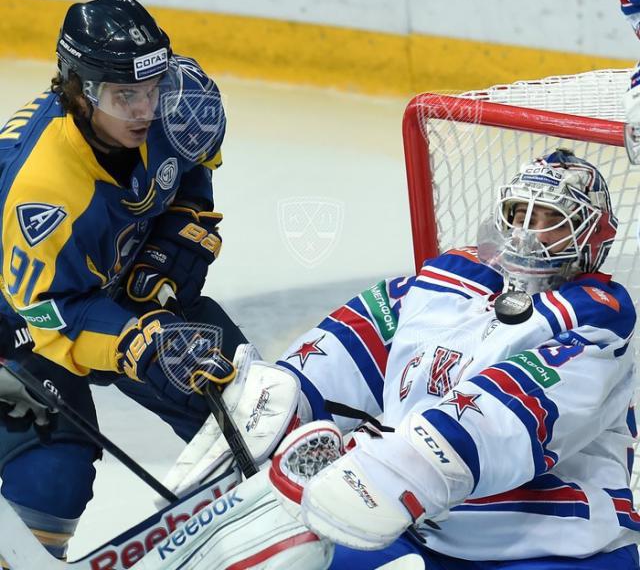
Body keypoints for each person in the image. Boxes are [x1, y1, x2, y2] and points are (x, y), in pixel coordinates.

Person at [172, 150, 639, 569]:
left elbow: (511, 410)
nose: (525, 232)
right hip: (422, 527)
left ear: (590, 237)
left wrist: (403, 466)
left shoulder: (597, 319)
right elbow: (356, 342)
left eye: (549, 219)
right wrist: (281, 400)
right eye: (518, 214)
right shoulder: (452, 280)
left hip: (556, 548)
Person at [0, 0, 248, 563]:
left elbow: (188, 176)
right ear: (80, 93)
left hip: (101, 287)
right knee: (53, 471)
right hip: (21, 319)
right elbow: (47, 313)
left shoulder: (169, 108)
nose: (145, 109)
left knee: (238, 394)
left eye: (152, 88)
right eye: (125, 96)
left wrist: (168, 253)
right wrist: (138, 344)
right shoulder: (42, 191)